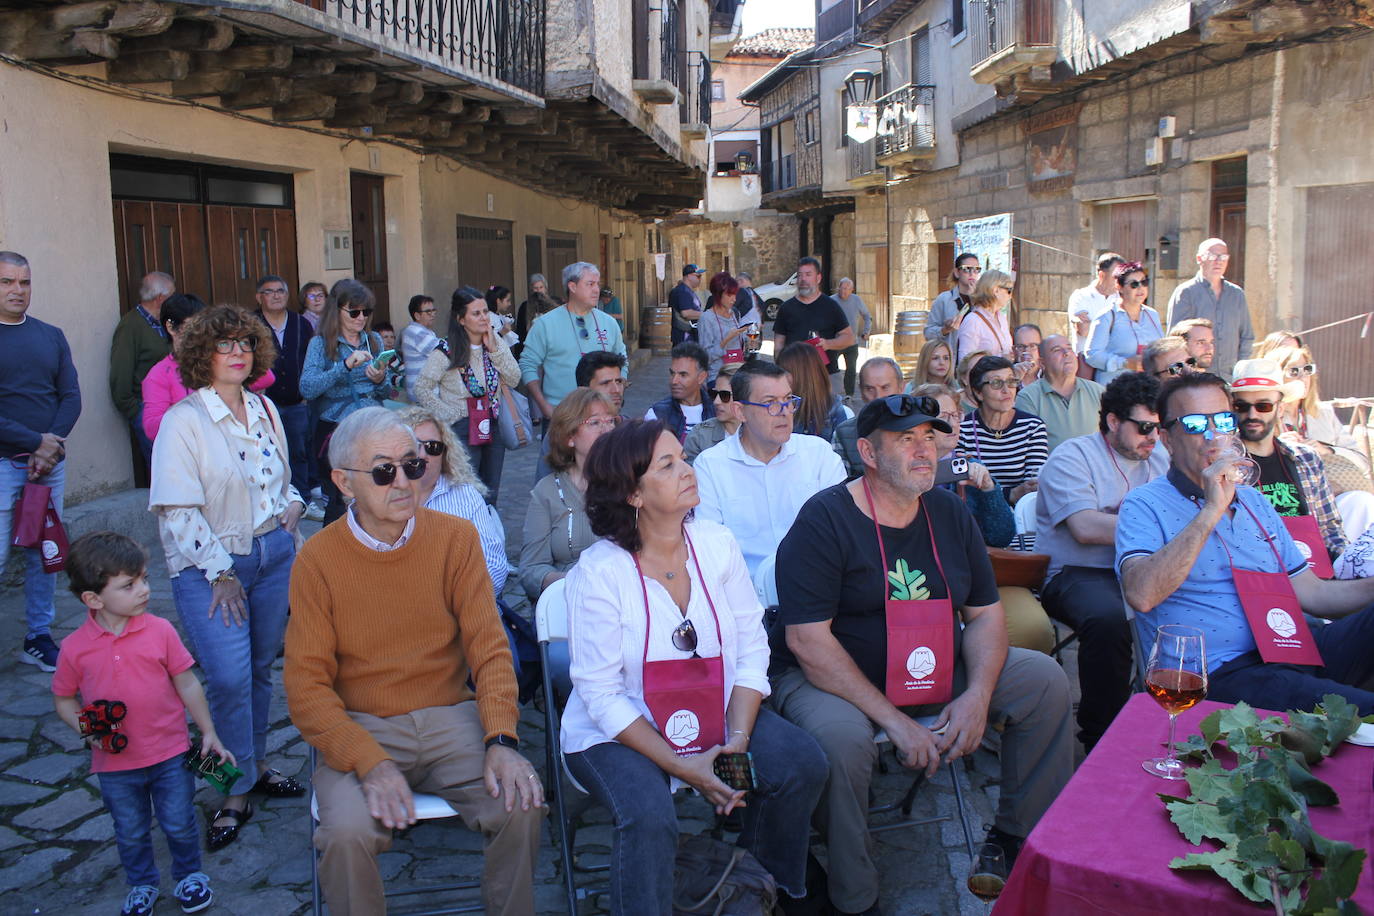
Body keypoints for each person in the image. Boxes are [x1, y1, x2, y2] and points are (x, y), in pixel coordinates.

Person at [771, 394, 1074, 913]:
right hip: (834, 677)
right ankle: (855, 892)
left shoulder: (948, 511)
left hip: (931, 660)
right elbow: (808, 641)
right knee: (843, 742)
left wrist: (978, 696)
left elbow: (984, 614)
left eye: (929, 437)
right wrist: (894, 721)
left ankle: (1016, 839)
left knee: (1043, 681)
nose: (923, 450)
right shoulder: (824, 520)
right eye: (905, 438)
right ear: (867, 451)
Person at [561, 419, 828, 916]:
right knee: (649, 813)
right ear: (634, 495)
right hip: (618, 729)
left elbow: (751, 651)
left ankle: (759, 890)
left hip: (714, 712)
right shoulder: (599, 574)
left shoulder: (715, 543)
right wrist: (684, 766)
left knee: (799, 765)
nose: (687, 469)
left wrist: (736, 746)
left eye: (681, 458)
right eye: (668, 465)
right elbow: (600, 695)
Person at [284, 407, 543, 916]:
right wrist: (370, 762)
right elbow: (307, 688)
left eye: (414, 463)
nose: (404, 480)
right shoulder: (318, 560)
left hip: (451, 718)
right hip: (363, 727)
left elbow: (489, 649)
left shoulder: (454, 538)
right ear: (344, 482)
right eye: (384, 471)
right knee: (344, 835)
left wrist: (502, 740)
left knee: (523, 802)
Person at [1117, 372, 1374, 714]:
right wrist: (1211, 510)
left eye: (1223, 419)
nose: (1212, 435)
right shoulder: (1143, 504)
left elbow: (1314, 593)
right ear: (1167, 438)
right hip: (1219, 674)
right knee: (1365, 710)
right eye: (1194, 423)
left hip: (1289, 648)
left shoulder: (1255, 502)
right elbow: (1142, 595)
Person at [149, 304, 306, 851]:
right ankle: (227, 791)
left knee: (260, 670)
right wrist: (219, 573)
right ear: (201, 355)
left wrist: (294, 506)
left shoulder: (264, 407)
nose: (237, 352)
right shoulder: (184, 420)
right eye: (224, 345)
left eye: (244, 343)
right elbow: (176, 509)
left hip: (272, 557)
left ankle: (256, 765)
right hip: (211, 568)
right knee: (227, 679)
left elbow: (280, 479)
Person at [53, 532, 230, 916]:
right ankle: (142, 883)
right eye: (129, 585)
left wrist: (209, 730)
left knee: (179, 821)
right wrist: (87, 728)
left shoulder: (160, 631)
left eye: (145, 579)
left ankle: (189, 875)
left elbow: (186, 681)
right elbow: (63, 698)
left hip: (169, 752)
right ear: (93, 600)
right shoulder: (74, 649)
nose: (144, 590)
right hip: (116, 765)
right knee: (130, 831)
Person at [1036, 372, 1170, 749]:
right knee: (1110, 618)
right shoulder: (1073, 456)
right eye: (1144, 427)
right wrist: (1160, 530)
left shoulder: (1160, 457)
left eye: (1159, 428)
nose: (1153, 437)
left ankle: (1178, 722)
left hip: (1142, 566)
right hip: (1077, 573)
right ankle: (1101, 738)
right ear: (1113, 421)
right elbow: (1085, 527)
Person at [917, 384, 1055, 656]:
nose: (953, 423)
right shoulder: (906, 471)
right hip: (926, 580)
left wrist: (990, 490)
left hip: (982, 575)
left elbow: (1002, 536)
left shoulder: (971, 466)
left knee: (1035, 628)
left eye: (956, 415)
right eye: (943, 417)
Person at [0, 251, 81, 672]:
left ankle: (38, 636)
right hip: (3, 465)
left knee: (45, 552)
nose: (17, 290)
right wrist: (37, 441)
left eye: (24, 282)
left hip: (49, 466)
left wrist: (50, 446)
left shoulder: (50, 335)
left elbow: (70, 396)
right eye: (7, 282)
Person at [694, 360, 846, 576]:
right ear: (740, 411)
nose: (784, 412)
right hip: (746, 595)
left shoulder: (818, 455)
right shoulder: (710, 466)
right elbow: (710, 548)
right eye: (771, 403)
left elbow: (842, 531)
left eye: (788, 400)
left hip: (816, 588)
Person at [1230, 359, 1347, 561]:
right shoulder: (1224, 464)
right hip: (1258, 569)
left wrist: (1346, 564)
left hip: (1314, 566)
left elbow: (1329, 529)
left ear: (1280, 409)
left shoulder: (1306, 458)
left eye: (1263, 406)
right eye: (1242, 406)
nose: (1252, 414)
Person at [415, 286, 520, 503]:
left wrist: (495, 351)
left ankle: (488, 534)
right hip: (462, 429)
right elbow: (422, 388)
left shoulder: (494, 342)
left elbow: (514, 378)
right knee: (467, 491)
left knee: (491, 492)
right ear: (461, 319)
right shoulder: (446, 350)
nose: (484, 318)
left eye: (485, 312)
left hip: (492, 423)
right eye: (476, 313)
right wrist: (451, 415)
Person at [395, 406, 511, 599]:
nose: (423, 455)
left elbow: (494, 565)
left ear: (444, 453)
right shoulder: (379, 498)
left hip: (465, 608)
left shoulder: (466, 496)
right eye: (414, 446)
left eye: (433, 447)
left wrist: (452, 602)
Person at [300, 278, 389, 525]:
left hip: (373, 424)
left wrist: (381, 378)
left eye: (366, 312)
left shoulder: (373, 340)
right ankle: (333, 557)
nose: (361, 318)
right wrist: (345, 367)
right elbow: (307, 388)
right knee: (340, 500)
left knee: (377, 493)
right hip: (337, 428)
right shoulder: (320, 343)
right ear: (336, 310)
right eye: (354, 312)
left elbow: (385, 390)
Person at [520, 388, 619, 601]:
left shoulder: (630, 485)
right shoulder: (547, 491)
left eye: (610, 421)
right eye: (595, 423)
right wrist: (573, 582)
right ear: (570, 436)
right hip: (568, 601)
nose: (606, 430)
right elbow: (531, 569)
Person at [143, 294, 276, 440]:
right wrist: (194, 413)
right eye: (191, 326)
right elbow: (152, 429)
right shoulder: (159, 374)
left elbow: (266, 377)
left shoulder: (218, 360)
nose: (199, 334)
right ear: (170, 327)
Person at [520, 261, 628, 418]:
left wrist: (618, 391)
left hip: (604, 414)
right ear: (572, 287)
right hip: (561, 414)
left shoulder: (609, 323)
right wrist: (543, 405)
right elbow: (527, 364)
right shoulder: (545, 324)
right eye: (590, 284)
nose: (597, 290)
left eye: (597, 284)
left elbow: (622, 360)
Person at [959, 356, 1048, 507]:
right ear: (978, 392)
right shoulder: (963, 429)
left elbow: (1031, 489)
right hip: (978, 517)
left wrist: (1002, 492)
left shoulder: (1032, 427)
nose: (1006, 390)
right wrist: (1011, 493)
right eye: (996, 383)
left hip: (1022, 515)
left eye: (1011, 381)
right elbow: (967, 491)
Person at [254, 274, 314, 489]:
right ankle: (274, 498)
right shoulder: (251, 324)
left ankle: (302, 498)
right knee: (266, 452)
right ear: (259, 297)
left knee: (298, 452)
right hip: (261, 404)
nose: (276, 295)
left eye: (280, 291)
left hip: (296, 402)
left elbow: (310, 360)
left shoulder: (302, 323)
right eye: (269, 291)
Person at [110, 271, 174, 468]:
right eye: (172, 295)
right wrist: (135, 411)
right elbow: (120, 373)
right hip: (147, 408)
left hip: (170, 407)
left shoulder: (162, 323)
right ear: (160, 298)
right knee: (163, 468)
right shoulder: (131, 326)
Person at [1165, 237, 1254, 377]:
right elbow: (1175, 341)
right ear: (1199, 259)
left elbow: (1247, 337)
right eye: (1212, 256)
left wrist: (1241, 370)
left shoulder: (1237, 294)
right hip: (1196, 378)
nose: (1219, 261)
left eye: (1223, 256)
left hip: (1231, 378)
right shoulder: (1186, 293)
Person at [1015, 334, 1105, 453]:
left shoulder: (1098, 391)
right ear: (1042, 362)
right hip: (1049, 470)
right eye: (1057, 350)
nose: (1066, 353)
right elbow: (1027, 450)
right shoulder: (1028, 397)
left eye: (1069, 348)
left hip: (1093, 469)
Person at [772, 256, 854, 384]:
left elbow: (849, 338)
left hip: (826, 376)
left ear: (818, 278)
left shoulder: (831, 306)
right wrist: (782, 373)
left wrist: (827, 344)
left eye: (808, 274)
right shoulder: (786, 308)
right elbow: (778, 346)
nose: (803, 279)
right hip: (795, 378)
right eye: (800, 275)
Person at [1085, 261, 1163, 385]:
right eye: (1134, 284)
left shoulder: (1152, 315)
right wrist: (1124, 362)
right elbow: (1092, 355)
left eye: (1144, 282)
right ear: (1119, 287)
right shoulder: (1106, 316)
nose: (1140, 288)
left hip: (1148, 388)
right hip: (1116, 389)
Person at [836, 358, 904, 477]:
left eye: (885, 387)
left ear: (901, 388)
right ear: (861, 391)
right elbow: (842, 487)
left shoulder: (921, 428)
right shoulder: (844, 434)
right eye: (870, 389)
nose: (878, 396)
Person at [775, 342, 851, 442]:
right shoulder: (776, 407)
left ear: (803, 375)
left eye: (783, 371)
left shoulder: (836, 410)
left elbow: (842, 453)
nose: (777, 377)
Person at [644, 341, 715, 441]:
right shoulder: (656, 415)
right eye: (672, 373)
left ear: (701, 377)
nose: (674, 381)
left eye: (683, 375)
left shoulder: (717, 412)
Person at [1066, 252, 1123, 357]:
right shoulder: (1081, 296)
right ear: (1102, 275)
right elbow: (1083, 329)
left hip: (1113, 364)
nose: (1119, 281)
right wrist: (1115, 328)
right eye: (1116, 276)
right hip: (1086, 364)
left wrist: (1094, 325)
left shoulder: (1121, 298)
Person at [923, 252, 980, 349]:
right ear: (957, 272)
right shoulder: (944, 299)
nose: (972, 273)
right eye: (967, 269)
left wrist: (976, 299)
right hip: (952, 358)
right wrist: (945, 330)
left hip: (976, 358)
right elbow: (928, 333)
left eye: (976, 270)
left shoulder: (983, 301)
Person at [697, 272, 747, 379]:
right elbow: (705, 358)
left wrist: (749, 343)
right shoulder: (707, 318)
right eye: (729, 295)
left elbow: (738, 345)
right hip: (718, 377)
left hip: (738, 374)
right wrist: (726, 339)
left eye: (735, 294)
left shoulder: (734, 313)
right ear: (718, 294)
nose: (734, 299)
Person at [685, 371, 742, 463]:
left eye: (724, 395)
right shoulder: (699, 435)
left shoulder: (764, 435)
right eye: (714, 394)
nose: (716, 401)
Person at [401, 293, 443, 399]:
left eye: (434, 310)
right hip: (424, 394)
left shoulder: (422, 331)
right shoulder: (416, 332)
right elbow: (444, 351)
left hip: (425, 392)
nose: (433, 314)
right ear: (417, 315)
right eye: (428, 312)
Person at [835, 278, 872, 398]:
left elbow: (867, 316)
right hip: (835, 342)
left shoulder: (856, 300)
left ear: (852, 290)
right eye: (842, 288)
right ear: (838, 287)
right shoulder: (831, 300)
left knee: (851, 369)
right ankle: (834, 394)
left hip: (852, 342)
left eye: (847, 289)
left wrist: (866, 331)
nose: (844, 291)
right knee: (832, 370)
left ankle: (849, 395)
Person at [575, 350, 630, 418]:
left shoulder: (631, 427)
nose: (616, 390)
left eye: (618, 382)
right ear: (584, 389)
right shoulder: (567, 427)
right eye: (605, 383)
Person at [669, 263, 706, 344]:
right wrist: (708, 314)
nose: (700, 279)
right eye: (698, 276)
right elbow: (686, 313)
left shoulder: (686, 290)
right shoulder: (683, 291)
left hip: (689, 337)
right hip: (684, 338)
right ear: (689, 276)